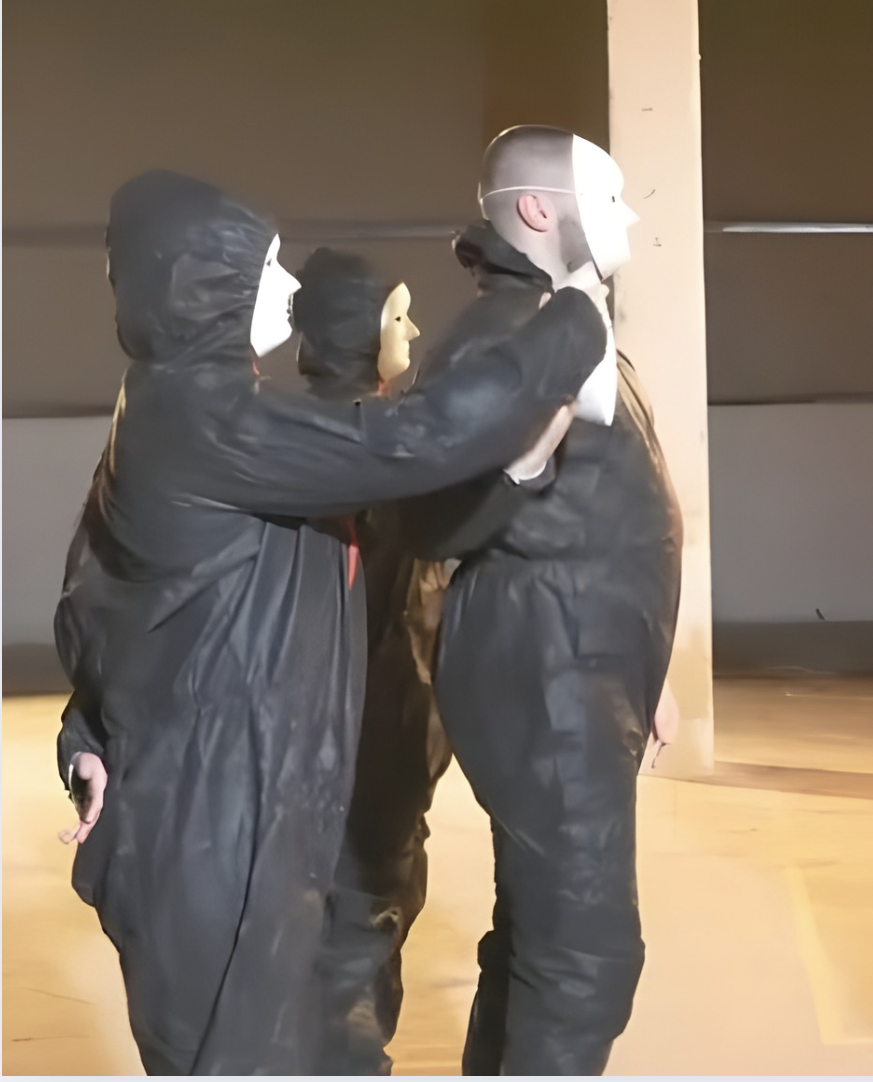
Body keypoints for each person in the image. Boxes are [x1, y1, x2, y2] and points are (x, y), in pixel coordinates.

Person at [52, 170, 602, 1075]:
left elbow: (95, 601)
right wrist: (574, 315)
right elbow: (415, 440)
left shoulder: (181, 412)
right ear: (203, 283)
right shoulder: (206, 420)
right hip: (216, 837)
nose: (288, 290)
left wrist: (86, 738)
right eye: (265, 269)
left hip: (234, 819)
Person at [399, 125, 683, 1075]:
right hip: (546, 674)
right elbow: (432, 515)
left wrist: (648, 664)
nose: (626, 218)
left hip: (577, 664)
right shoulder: (505, 340)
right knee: (586, 959)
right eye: (604, 200)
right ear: (535, 210)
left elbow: (603, 504)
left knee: (538, 936)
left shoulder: (554, 323)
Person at [292, 249, 456, 1074]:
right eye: (397, 316)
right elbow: (403, 609)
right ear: (357, 330)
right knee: (360, 943)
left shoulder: (284, 434)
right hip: (375, 744)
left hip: (307, 752)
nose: (413, 328)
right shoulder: (384, 449)